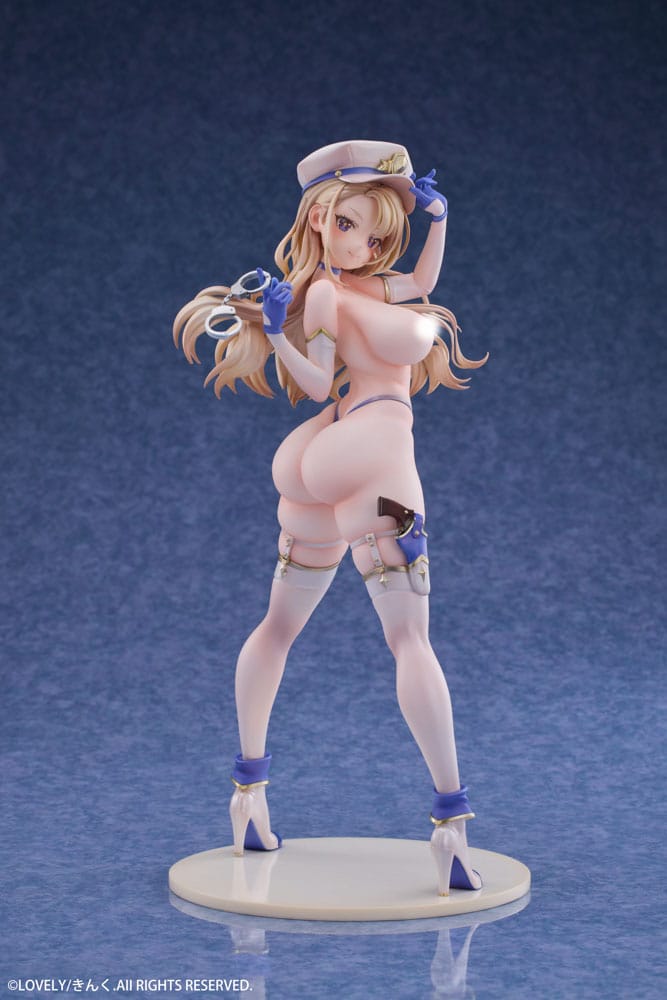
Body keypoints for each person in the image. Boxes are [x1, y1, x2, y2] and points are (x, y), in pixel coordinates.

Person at [173, 140, 488, 895]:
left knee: (279, 625)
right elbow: (317, 384)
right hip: (369, 448)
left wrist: (439, 219)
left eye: (369, 233)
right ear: (316, 219)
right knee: (409, 639)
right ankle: (451, 825)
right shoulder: (321, 294)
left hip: (317, 466)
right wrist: (277, 329)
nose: (354, 241)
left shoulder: (374, 282)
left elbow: (422, 281)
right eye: (340, 223)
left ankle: (248, 798)